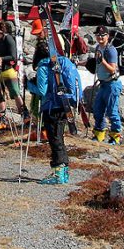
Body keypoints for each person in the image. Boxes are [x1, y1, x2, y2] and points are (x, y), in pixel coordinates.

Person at [28, 40, 81, 184]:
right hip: (66, 105)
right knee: (59, 138)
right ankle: (63, 173)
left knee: (55, 139)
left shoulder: (44, 66)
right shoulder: (65, 62)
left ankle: (59, 175)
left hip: (52, 107)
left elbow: (42, 90)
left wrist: (28, 85)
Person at [0, 21, 30, 131]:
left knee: (15, 92)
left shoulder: (7, 39)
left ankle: (25, 115)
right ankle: (1, 118)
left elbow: (13, 56)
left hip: (8, 70)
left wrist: (1, 59)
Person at [91, 25, 122, 145]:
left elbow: (112, 69)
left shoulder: (111, 50)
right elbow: (95, 65)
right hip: (103, 84)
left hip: (112, 84)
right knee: (98, 110)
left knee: (112, 112)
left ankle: (115, 137)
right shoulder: (98, 48)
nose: (100, 37)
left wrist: (102, 61)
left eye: (102, 35)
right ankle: (99, 135)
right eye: (98, 35)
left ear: (107, 36)